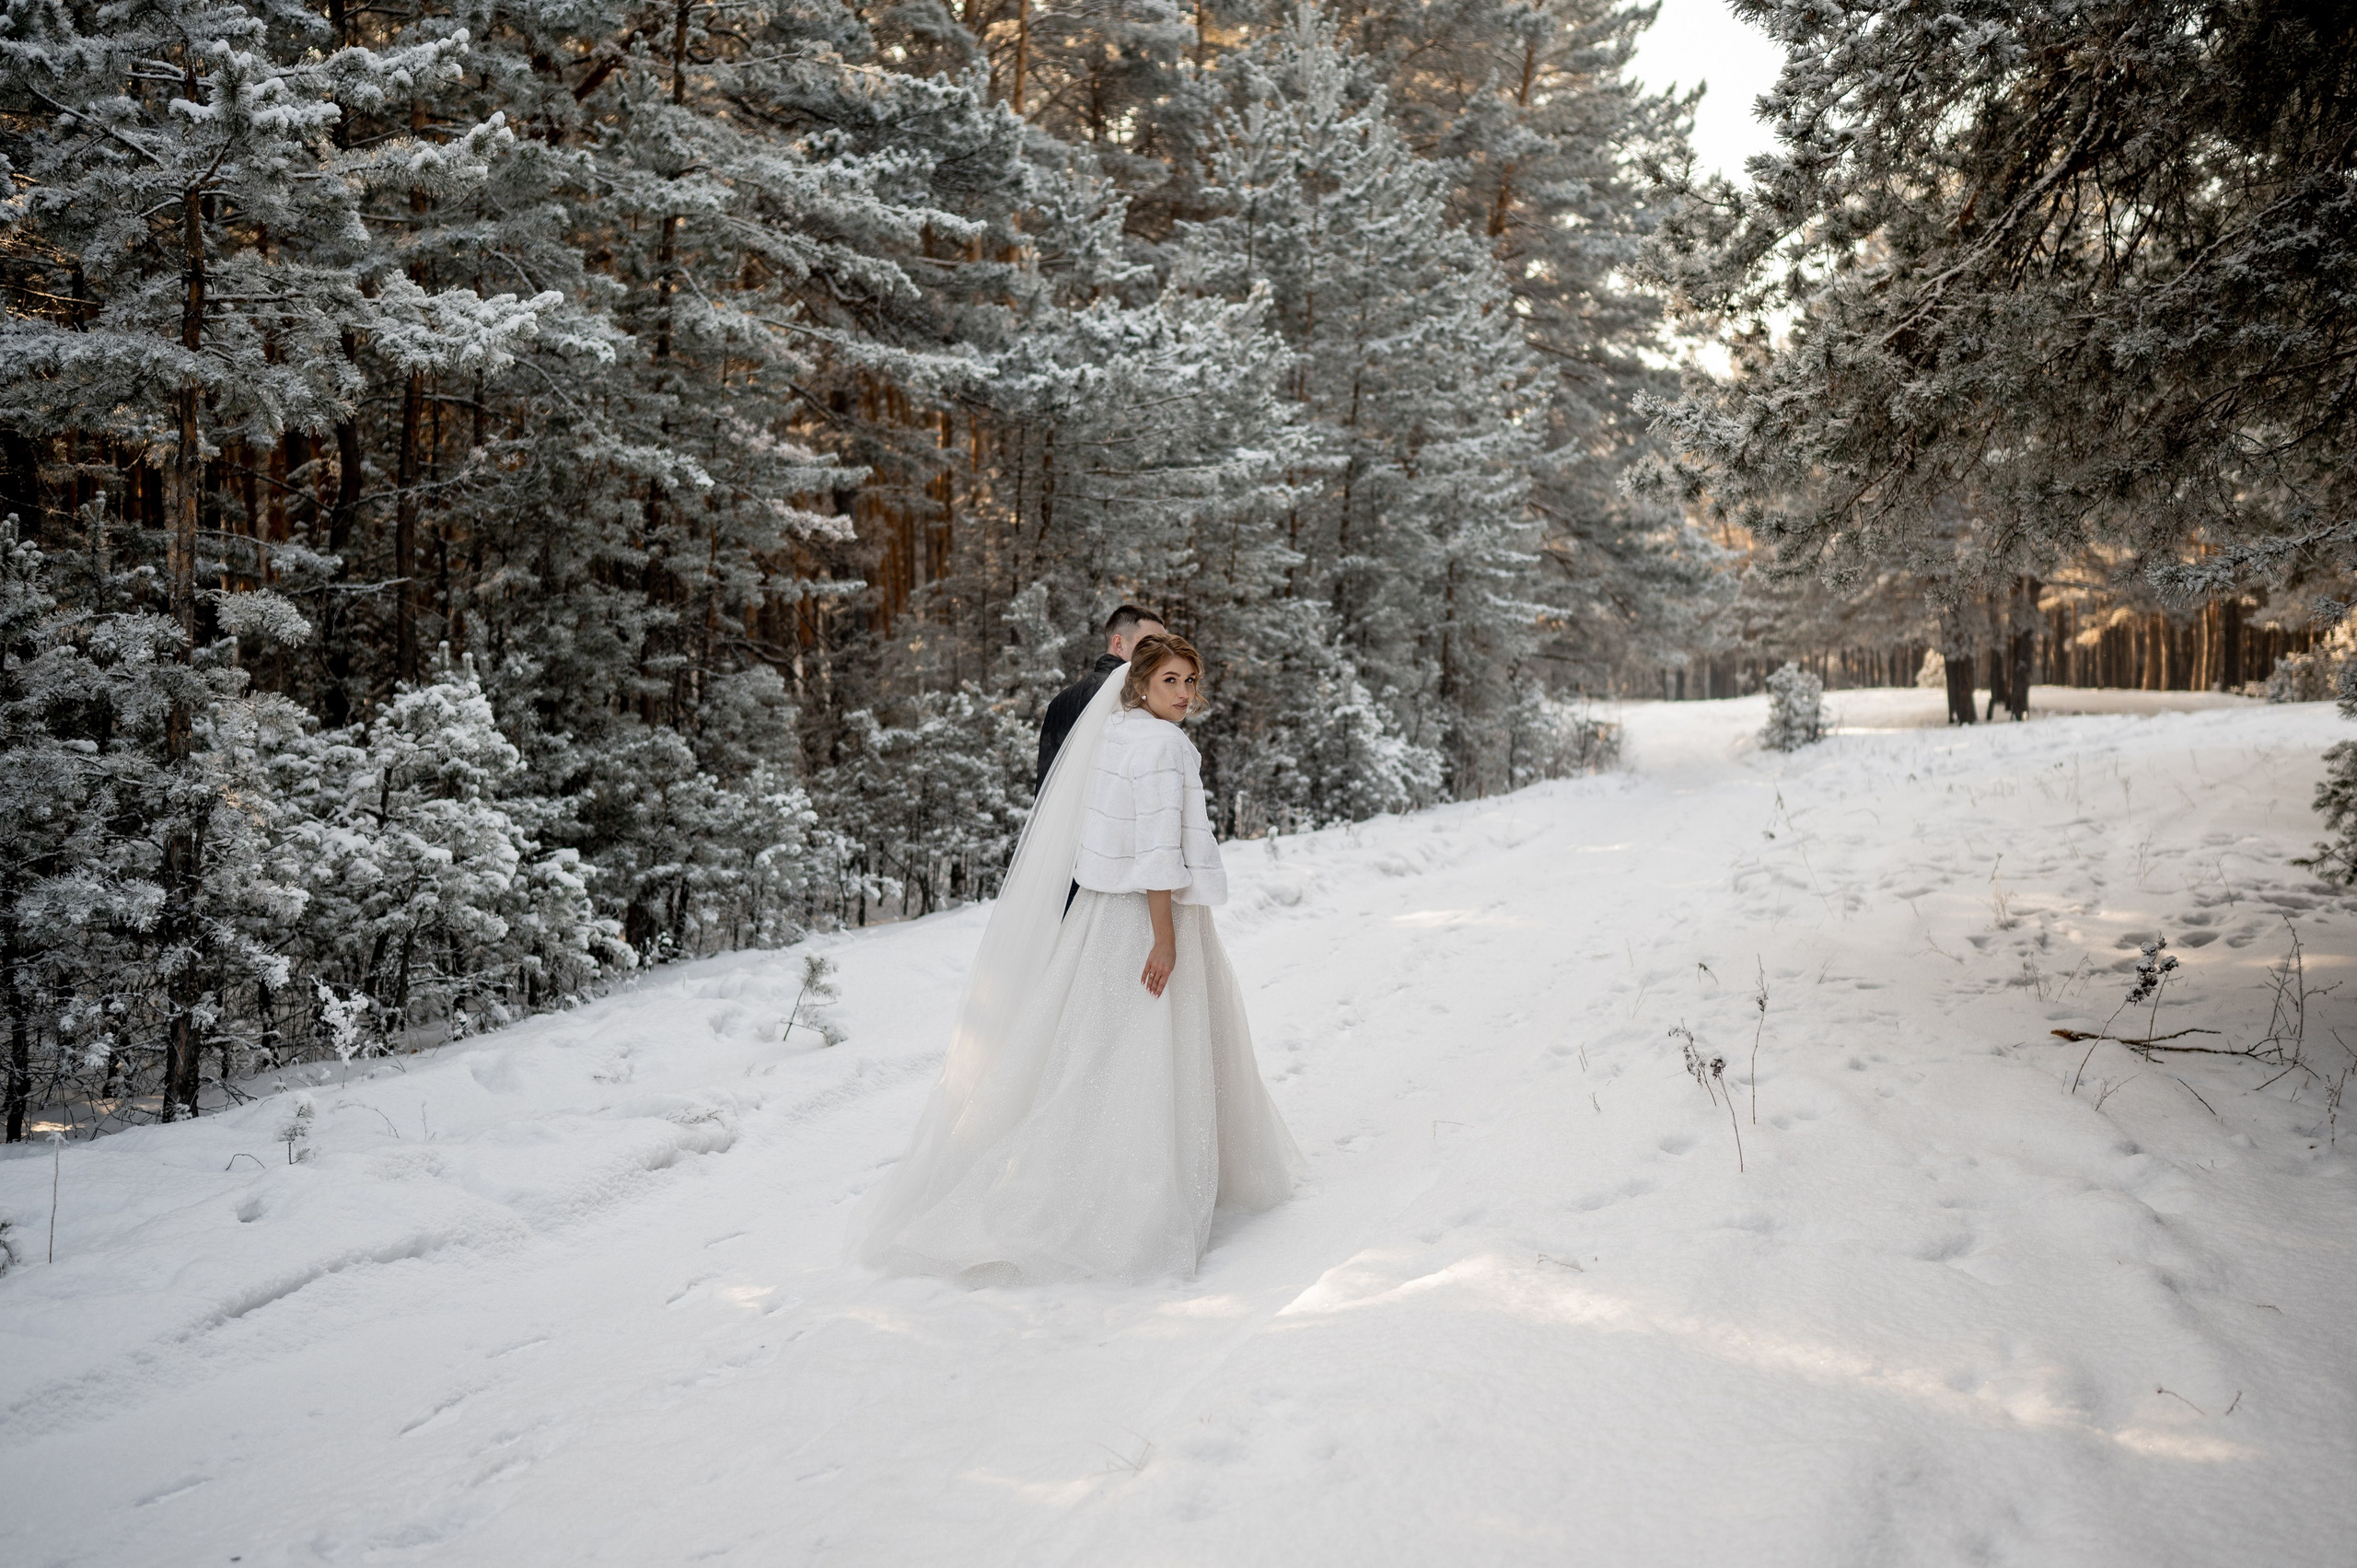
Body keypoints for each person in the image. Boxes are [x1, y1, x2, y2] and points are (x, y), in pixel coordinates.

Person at [853, 633, 1302, 1283]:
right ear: (1141, 683)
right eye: (1171, 680)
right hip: (1149, 916)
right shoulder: (1163, 745)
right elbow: (1155, 850)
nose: (1184, 694)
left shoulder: (1115, 732)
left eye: (1190, 681)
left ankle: (1075, 1165)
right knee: (1152, 1047)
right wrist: (1165, 935)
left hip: (1099, 912)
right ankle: (1132, 1195)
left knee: (1097, 1045)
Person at [1036, 604, 1166, 792]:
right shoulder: (1133, 696)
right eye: (1150, 644)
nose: (1162, 653)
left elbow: (1045, 785)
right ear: (1119, 644)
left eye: (1164, 645)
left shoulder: (1060, 700)